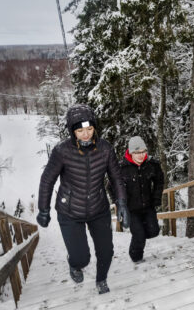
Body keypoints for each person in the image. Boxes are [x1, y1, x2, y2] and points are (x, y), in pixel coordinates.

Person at [36, 104, 130, 294]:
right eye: (80, 130)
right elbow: (47, 180)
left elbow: (116, 178)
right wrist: (43, 209)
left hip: (98, 208)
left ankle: (101, 279)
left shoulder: (105, 149)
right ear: (72, 131)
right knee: (81, 258)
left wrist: (122, 203)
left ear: (95, 127)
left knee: (106, 251)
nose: (86, 134)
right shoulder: (62, 151)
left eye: (89, 129)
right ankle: (74, 264)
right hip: (70, 211)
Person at [117, 136, 164, 263]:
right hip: (131, 209)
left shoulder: (152, 165)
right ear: (131, 152)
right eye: (137, 152)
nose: (141, 155)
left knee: (154, 231)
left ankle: (140, 233)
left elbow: (159, 181)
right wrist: (121, 203)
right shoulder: (121, 168)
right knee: (139, 234)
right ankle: (136, 256)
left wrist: (156, 197)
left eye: (143, 152)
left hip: (148, 205)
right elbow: (111, 186)